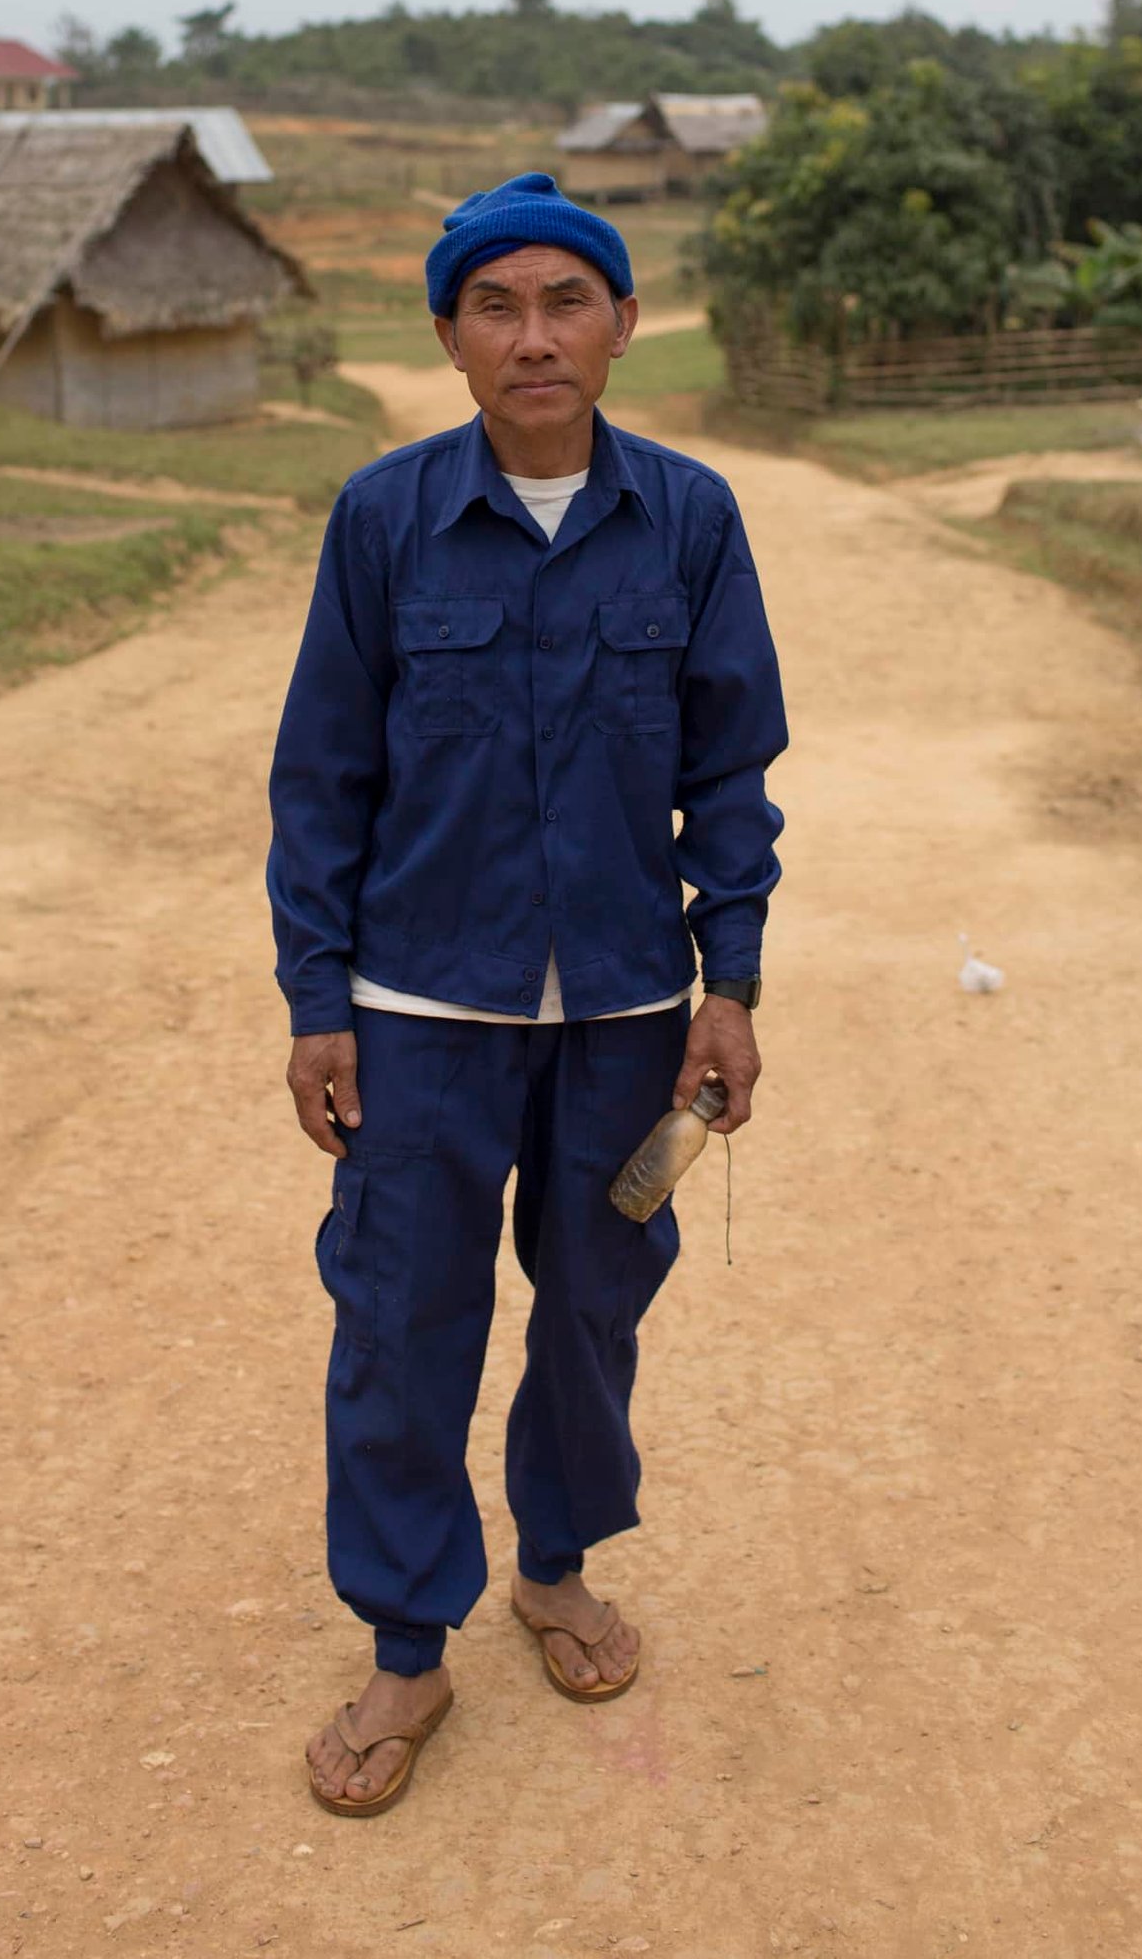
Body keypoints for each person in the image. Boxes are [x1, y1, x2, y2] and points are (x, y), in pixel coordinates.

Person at [267, 172, 787, 1816]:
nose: (535, 336)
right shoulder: (385, 519)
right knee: (401, 1322)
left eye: (568, 301)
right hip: (422, 1011)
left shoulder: (690, 519)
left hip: (627, 1014)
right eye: (496, 306)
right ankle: (406, 1645)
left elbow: (730, 772)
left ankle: (553, 1566)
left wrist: (730, 983)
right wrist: (317, 999)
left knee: (595, 1301)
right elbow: (322, 777)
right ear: (449, 337)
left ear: (624, 323)